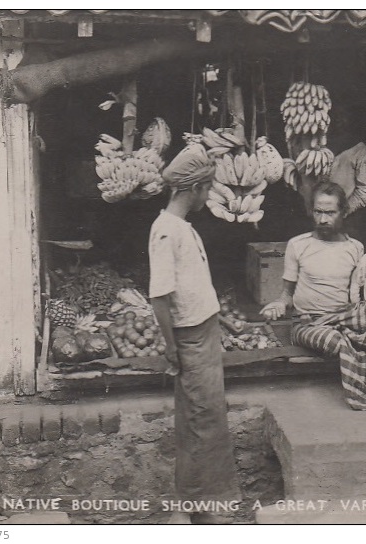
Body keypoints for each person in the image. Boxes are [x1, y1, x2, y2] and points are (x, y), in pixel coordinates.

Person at [260, 181, 366, 410]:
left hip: (347, 317)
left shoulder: (356, 248)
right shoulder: (297, 245)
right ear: (311, 211)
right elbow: (286, 294)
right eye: (318, 212)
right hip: (309, 324)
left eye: (330, 212)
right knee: (338, 342)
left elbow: (361, 287)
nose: (323, 219)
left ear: (344, 212)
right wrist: (278, 303)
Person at [148, 143, 241, 524]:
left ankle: (199, 507)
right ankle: (192, 510)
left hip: (204, 331)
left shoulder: (181, 228)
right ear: (195, 188)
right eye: (207, 188)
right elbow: (159, 297)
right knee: (202, 420)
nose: (208, 195)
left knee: (205, 419)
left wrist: (224, 320)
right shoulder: (167, 232)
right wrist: (172, 349)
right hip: (189, 339)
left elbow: (193, 286)